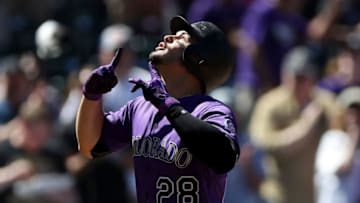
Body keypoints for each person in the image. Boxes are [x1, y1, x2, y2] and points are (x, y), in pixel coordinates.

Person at [75, 16, 240, 203]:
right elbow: (90, 146)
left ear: (196, 58)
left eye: (181, 39)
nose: (169, 37)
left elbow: (224, 158)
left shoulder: (211, 110)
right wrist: (91, 97)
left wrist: (168, 105)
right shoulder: (141, 107)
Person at [248, 45, 342, 203]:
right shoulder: (270, 104)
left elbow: (341, 133)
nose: (296, 83)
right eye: (293, 76)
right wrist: (306, 125)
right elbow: (266, 143)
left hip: (317, 196)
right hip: (280, 196)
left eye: (303, 78)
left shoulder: (324, 102)